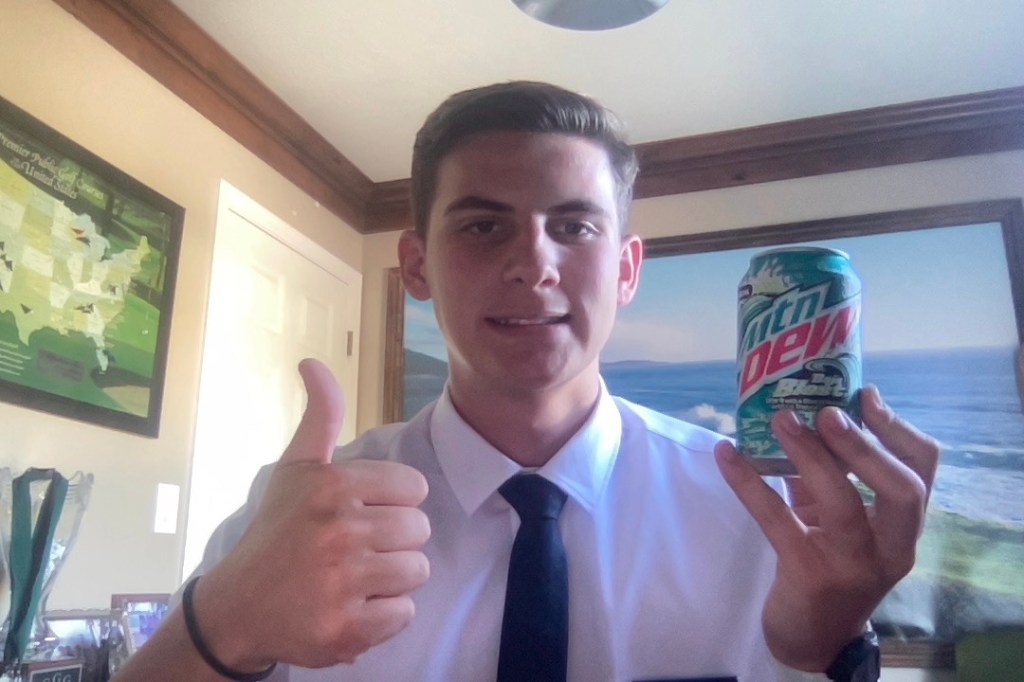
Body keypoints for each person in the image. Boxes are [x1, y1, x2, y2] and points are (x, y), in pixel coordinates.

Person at [113, 81, 938, 682]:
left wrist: (826, 650)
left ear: (626, 270)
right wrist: (222, 625)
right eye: (483, 225)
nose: (533, 265)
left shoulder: (765, 518)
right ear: (416, 266)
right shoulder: (294, 519)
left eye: (574, 226)